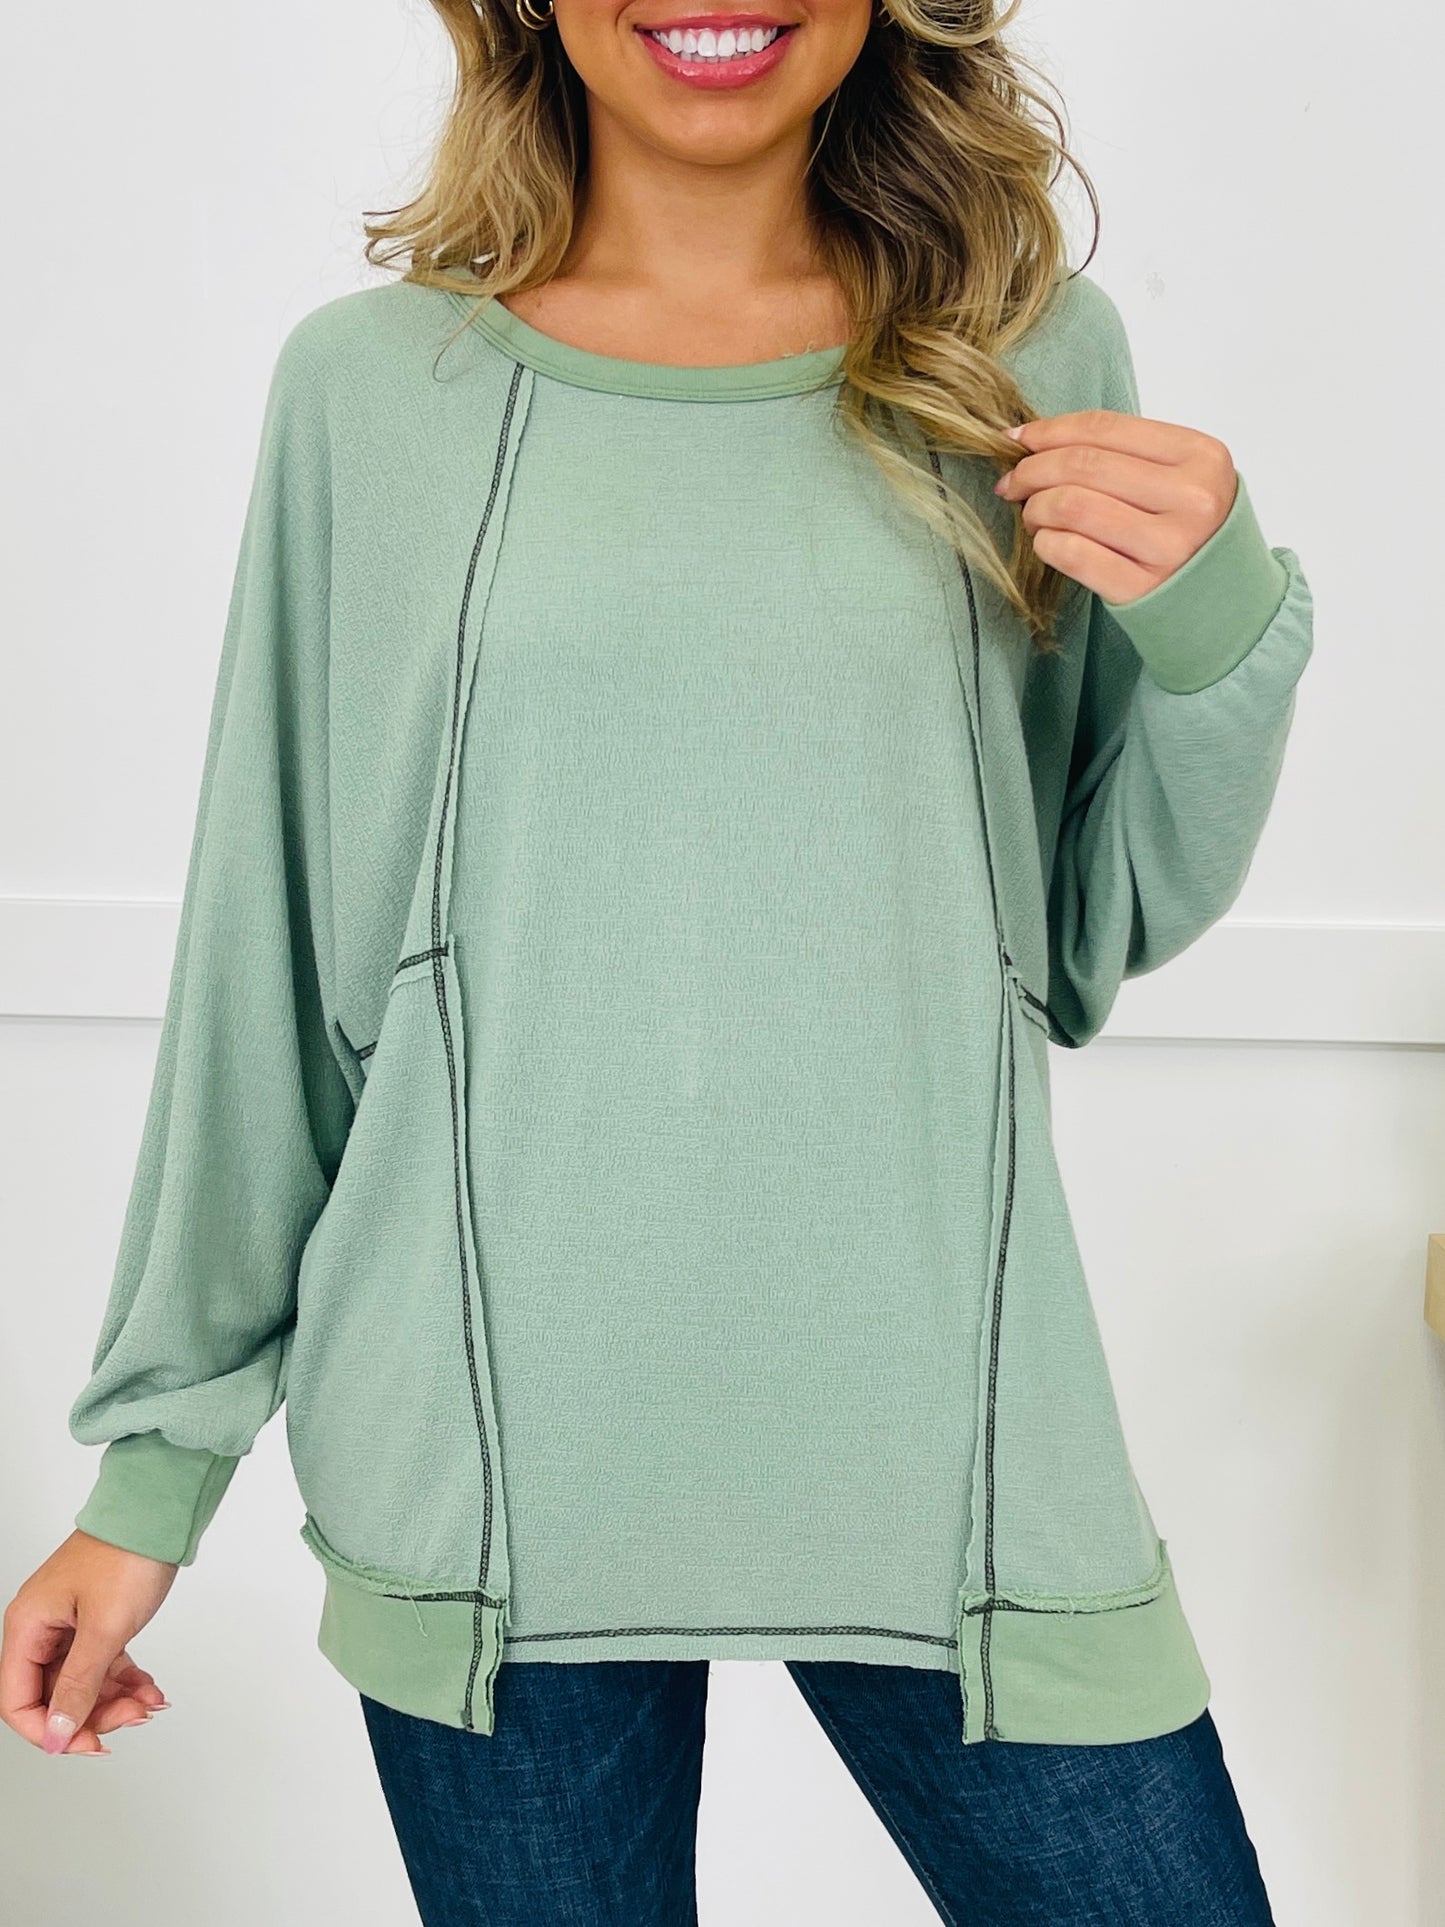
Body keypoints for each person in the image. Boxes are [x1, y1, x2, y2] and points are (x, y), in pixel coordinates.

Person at [1, 0, 1312, 1919]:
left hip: (950, 1437)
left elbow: (1086, 921)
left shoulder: (1023, 368)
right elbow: (272, 957)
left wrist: (1218, 622)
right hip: (482, 1463)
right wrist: (152, 1477)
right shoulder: (372, 393)